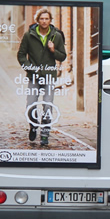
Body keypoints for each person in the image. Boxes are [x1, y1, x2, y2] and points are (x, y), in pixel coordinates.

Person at [17, 8, 66, 146]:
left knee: (47, 106)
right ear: (37, 20)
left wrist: (53, 50)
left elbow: (62, 55)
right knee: (30, 104)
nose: (44, 21)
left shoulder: (56, 36)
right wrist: (30, 67)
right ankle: (33, 125)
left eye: (47, 19)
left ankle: (45, 133)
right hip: (34, 76)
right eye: (42, 19)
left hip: (49, 76)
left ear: (50, 20)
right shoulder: (29, 35)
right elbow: (21, 55)